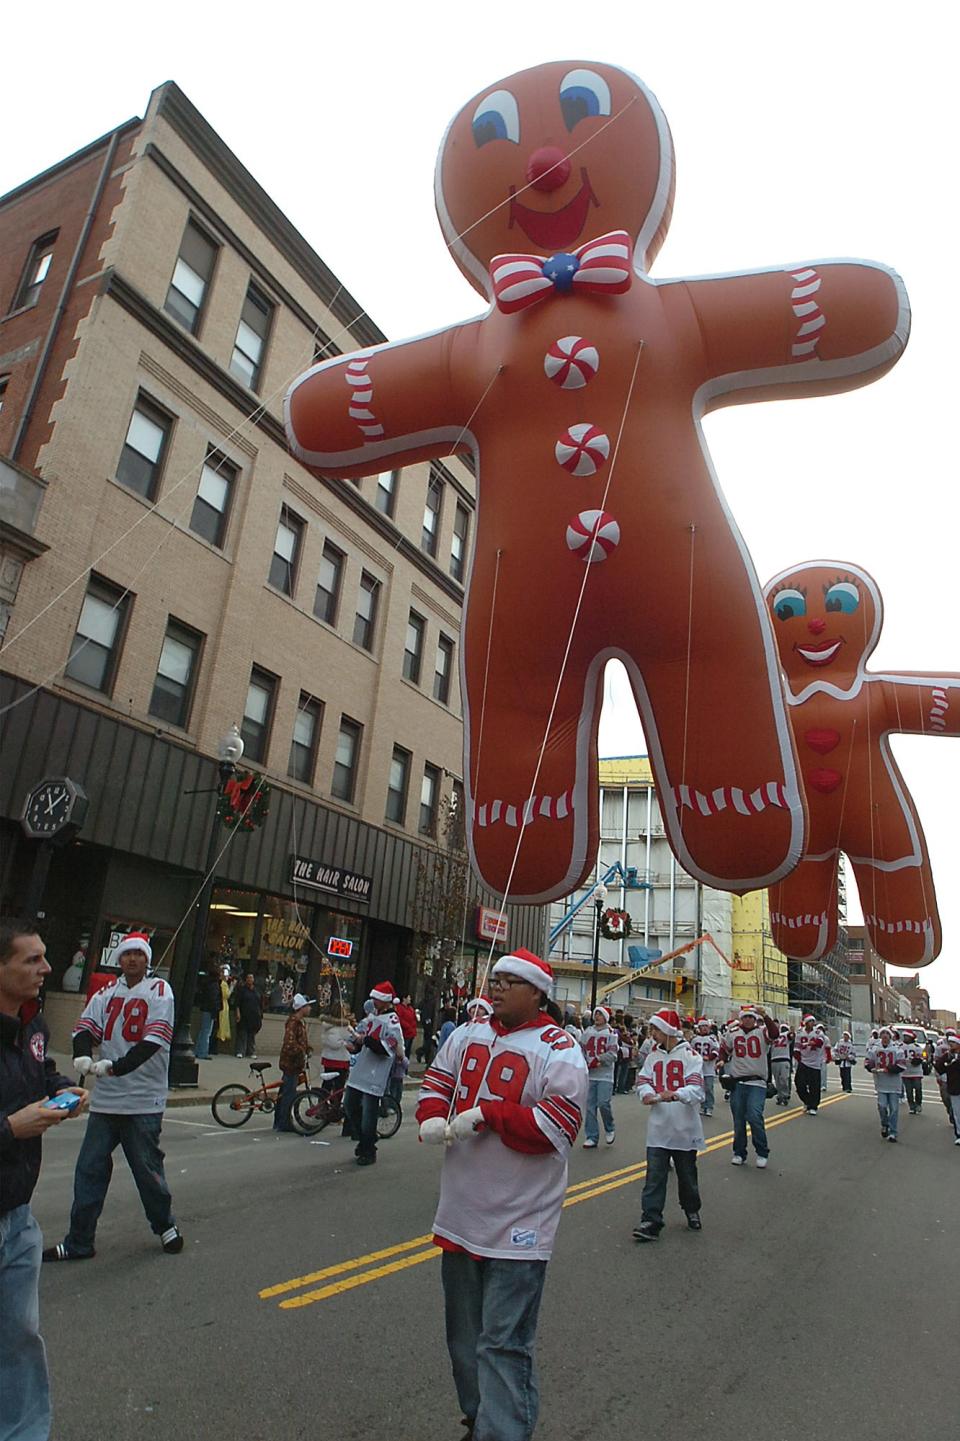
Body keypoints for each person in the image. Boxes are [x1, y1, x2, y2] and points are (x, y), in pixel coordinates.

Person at [417, 947, 587, 1441]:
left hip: (520, 1222)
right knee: (464, 1340)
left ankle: (504, 1431)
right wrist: (429, 1113)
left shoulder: (560, 1047)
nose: (496, 986)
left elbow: (556, 1127)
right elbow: (439, 1079)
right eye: (495, 978)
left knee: (503, 1343)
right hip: (461, 1214)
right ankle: (481, 1420)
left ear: (537, 993)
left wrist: (490, 1114)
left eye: (509, 981)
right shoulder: (468, 1032)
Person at [43, 933, 183, 1262]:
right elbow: (84, 1029)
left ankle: (164, 1224)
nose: (132, 959)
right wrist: (81, 1055)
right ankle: (79, 1241)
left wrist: (116, 1067)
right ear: (118, 959)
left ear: (147, 959)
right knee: (89, 1169)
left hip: (142, 1100)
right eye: (126, 954)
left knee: (147, 1170)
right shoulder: (106, 992)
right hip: (106, 1100)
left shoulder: (160, 991)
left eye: (138, 954)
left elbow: (154, 1041)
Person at [1, 920, 88, 1441]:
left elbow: (41, 1076)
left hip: (18, 1219)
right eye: (32, 960)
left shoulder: (32, 1026)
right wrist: (12, 1128)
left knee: (19, 1338)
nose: (47, 969)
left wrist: (65, 1090)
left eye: (45, 956)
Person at [633, 1008, 705, 1241]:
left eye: (656, 1029)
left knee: (686, 1174)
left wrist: (675, 1094)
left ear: (667, 1030)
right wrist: (646, 1093)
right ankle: (651, 1219)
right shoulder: (653, 1057)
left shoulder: (691, 1056)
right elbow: (643, 1081)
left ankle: (691, 1209)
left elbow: (697, 1090)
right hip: (658, 1127)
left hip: (684, 1128)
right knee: (654, 1176)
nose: (652, 1033)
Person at [343, 982, 404, 1166]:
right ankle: (365, 1138)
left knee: (369, 1113)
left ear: (385, 1001)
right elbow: (361, 1041)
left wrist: (367, 1040)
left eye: (377, 999)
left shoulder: (392, 1020)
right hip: (360, 1070)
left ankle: (368, 1149)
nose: (374, 1001)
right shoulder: (371, 1018)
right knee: (349, 1104)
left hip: (375, 1074)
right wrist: (354, 1045)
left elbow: (388, 1047)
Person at [720, 1006, 779, 1167]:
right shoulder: (733, 1033)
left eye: (750, 1017)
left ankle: (762, 1151)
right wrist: (722, 1060)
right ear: (741, 1018)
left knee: (754, 1115)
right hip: (738, 1081)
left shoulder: (762, 1032)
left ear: (755, 1019)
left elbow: (775, 1034)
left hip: (757, 1082)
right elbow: (724, 1048)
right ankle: (739, 1152)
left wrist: (765, 1016)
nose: (747, 1019)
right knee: (738, 1120)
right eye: (745, 1017)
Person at [579, 1006, 618, 1147]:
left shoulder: (611, 1033)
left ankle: (609, 1127)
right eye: (596, 1014)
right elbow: (581, 1049)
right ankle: (592, 1136)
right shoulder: (587, 1032)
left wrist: (599, 1059)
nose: (597, 1017)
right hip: (590, 1076)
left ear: (606, 1017)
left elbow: (613, 1054)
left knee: (603, 1103)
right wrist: (584, 1062)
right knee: (589, 1107)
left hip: (605, 1075)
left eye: (600, 1014)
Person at [274, 994, 313, 1133]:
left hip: (295, 1063)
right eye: (308, 1006)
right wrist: (302, 1051)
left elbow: (299, 1040)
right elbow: (289, 1044)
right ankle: (283, 1122)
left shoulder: (299, 1022)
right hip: (291, 1064)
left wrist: (307, 1048)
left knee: (285, 1093)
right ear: (301, 1007)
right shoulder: (294, 1022)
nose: (310, 1008)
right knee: (288, 1094)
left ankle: (279, 1120)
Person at [865, 1025, 906, 1142]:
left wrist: (889, 1069)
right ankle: (885, 1124)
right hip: (881, 1083)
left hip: (894, 1084)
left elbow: (902, 1065)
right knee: (882, 1106)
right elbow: (868, 1061)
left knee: (894, 1108)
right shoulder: (874, 1049)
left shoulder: (897, 1049)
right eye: (882, 1034)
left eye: (887, 1034)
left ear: (890, 1036)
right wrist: (870, 1067)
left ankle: (893, 1132)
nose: (885, 1036)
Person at [794, 1014, 831, 1114]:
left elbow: (820, 1042)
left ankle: (813, 1106)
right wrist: (798, 1058)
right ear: (805, 1023)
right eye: (810, 1021)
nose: (812, 1023)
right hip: (804, 1061)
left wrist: (811, 1043)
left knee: (814, 1086)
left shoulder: (818, 1032)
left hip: (815, 1063)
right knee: (799, 1084)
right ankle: (807, 1101)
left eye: (813, 1021)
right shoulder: (800, 1032)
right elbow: (796, 1047)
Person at [933, 1033, 960, 1144]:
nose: (951, 1045)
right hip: (954, 1087)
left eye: (953, 1043)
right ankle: (958, 1134)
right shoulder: (948, 1055)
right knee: (957, 1112)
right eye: (950, 1043)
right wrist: (946, 1058)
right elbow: (939, 1067)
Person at [691, 1018, 720, 1116]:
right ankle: (703, 1106)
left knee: (708, 1088)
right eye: (702, 1026)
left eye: (705, 1026)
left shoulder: (712, 1039)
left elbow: (717, 1050)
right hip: (698, 1068)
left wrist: (710, 1057)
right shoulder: (695, 1039)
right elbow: (691, 1051)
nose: (704, 1028)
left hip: (708, 1068)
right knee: (700, 1088)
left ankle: (709, 1106)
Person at [232, 973, 262, 1058]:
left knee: (251, 1035)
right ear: (246, 979)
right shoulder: (242, 990)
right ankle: (240, 1051)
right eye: (248, 978)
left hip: (254, 1016)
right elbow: (237, 1003)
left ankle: (250, 1052)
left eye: (251, 978)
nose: (250, 979)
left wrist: (260, 1014)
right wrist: (238, 1013)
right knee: (242, 1033)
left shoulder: (256, 991)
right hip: (244, 1015)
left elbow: (259, 1003)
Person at [194, 968, 222, 1060]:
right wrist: (216, 1010)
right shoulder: (215, 985)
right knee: (207, 1032)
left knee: (203, 1031)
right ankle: (203, 1052)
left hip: (206, 1008)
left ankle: (198, 1051)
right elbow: (213, 999)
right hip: (210, 1010)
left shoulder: (208, 983)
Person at [900, 1030, 925, 1114]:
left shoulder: (917, 1047)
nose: (906, 1038)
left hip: (916, 1072)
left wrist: (917, 1061)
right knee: (909, 1091)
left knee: (918, 1089)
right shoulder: (900, 1046)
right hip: (905, 1073)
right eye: (905, 1036)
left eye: (907, 1036)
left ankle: (918, 1104)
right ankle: (911, 1106)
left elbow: (921, 1058)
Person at [770, 1024, 793, 1104]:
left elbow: (791, 1036)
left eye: (785, 1028)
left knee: (784, 1078)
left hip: (784, 1059)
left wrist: (791, 1031)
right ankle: (780, 1096)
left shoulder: (787, 1037)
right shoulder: (773, 1036)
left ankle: (785, 1094)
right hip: (774, 1059)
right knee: (777, 1080)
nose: (783, 1030)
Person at [395, 994, 419, 1059]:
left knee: (408, 1052)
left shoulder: (410, 1008)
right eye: (408, 997)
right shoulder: (400, 1008)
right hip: (405, 1033)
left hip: (411, 1033)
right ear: (404, 999)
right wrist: (407, 1026)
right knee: (404, 1051)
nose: (410, 999)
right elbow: (400, 1019)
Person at [216, 967, 233, 1051]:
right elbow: (226, 995)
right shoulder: (223, 984)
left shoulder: (222, 983)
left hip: (224, 1005)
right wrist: (232, 987)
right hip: (223, 1005)